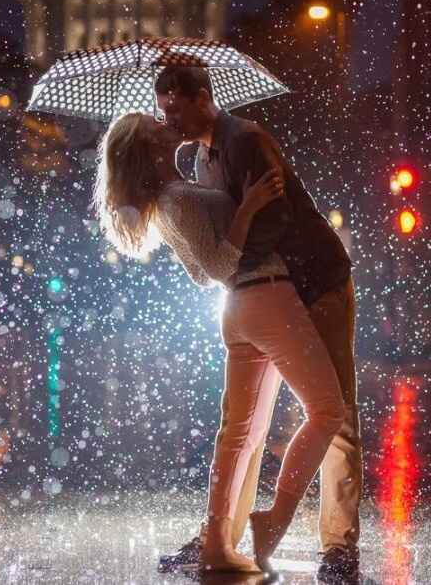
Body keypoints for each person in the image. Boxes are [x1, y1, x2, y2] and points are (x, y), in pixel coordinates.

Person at [94, 111, 345, 573]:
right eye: (154, 123)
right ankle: (272, 519)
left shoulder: (171, 196)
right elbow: (215, 267)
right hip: (265, 296)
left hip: (241, 309)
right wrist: (248, 208)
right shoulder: (176, 199)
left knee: (239, 435)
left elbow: (198, 269)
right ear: (150, 148)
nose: (164, 117)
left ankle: (216, 543)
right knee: (328, 410)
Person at [154, 66, 362, 583]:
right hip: (269, 293)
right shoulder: (201, 159)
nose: (169, 119)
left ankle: (338, 545)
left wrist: (236, 264)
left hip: (317, 282)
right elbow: (226, 231)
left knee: (335, 411)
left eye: (175, 108)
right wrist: (236, 267)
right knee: (246, 424)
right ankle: (222, 536)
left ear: (204, 99)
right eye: (163, 112)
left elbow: (274, 220)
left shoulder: (246, 140)